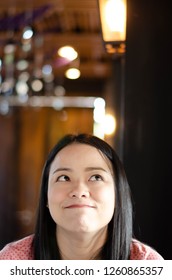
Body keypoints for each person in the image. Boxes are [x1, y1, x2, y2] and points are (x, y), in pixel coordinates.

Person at [0, 133, 163, 260]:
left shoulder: (146, 264)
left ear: (118, 194)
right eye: (63, 177)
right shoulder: (12, 262)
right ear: (46, 197)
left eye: (96, 177)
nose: (79, 190)